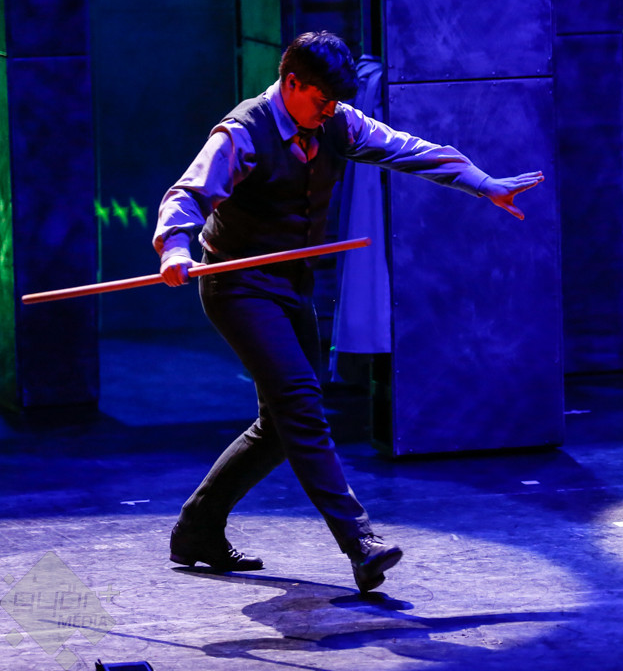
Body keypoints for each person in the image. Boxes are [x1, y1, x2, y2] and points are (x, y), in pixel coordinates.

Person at [153, 31, 543, 593]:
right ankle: (359, 541)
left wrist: (482, 184)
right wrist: (174, 249)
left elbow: (407, 148)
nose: (329, 111)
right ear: (292, 82)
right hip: (236, 284)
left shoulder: (336, 121)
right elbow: (187, 195)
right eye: (321, 100)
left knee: (281, 427)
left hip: (292, 283)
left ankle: (197, 529)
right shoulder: (243, 132)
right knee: (301, 406)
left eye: (336, 102)